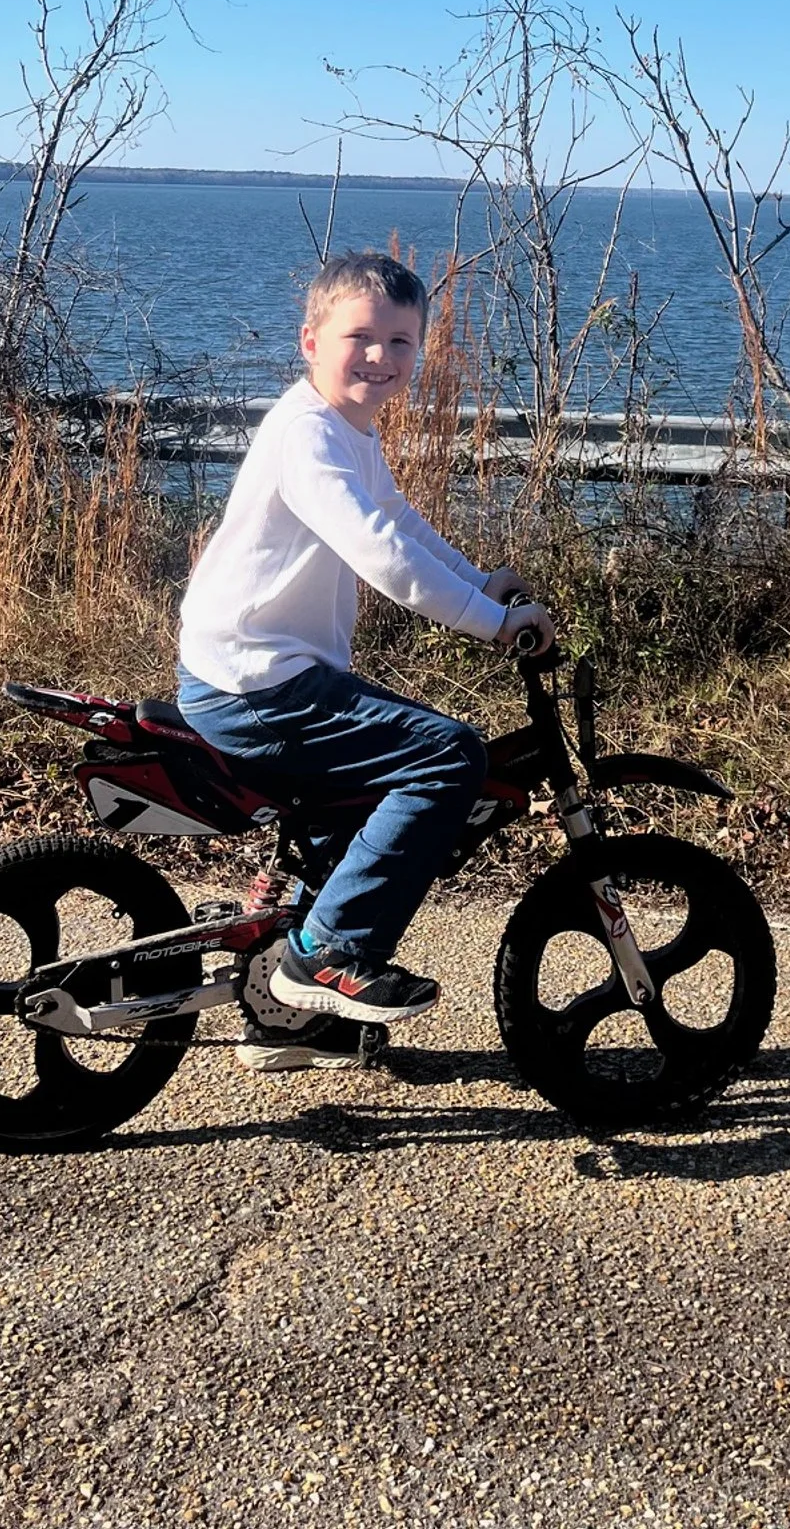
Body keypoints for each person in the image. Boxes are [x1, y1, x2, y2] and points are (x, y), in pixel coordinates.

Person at [175, 249, 554, 1061]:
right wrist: (493, 624)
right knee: (447, 755)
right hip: (254, 681)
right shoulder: (308, 437)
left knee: (349, 807)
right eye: (363, 337)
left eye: (403, 342)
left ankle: (287, 1022)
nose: (382, 358)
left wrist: (482, 582)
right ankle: (325, 957)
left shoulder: (348, 433)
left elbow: (403, 523)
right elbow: (380, 552)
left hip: (263, 670)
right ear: (310, 340)